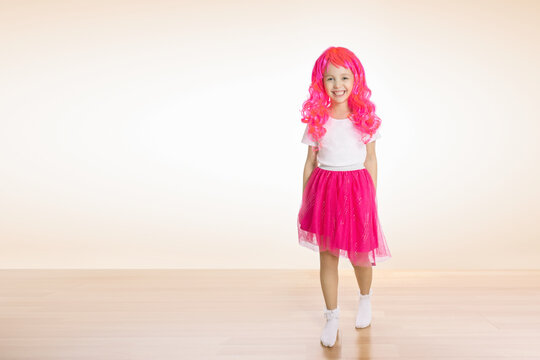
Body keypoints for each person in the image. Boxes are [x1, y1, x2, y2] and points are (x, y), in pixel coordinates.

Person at [297, 46, 392, 348]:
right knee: (328, 257)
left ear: (356, 80)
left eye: (344, 77)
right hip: (324, 189)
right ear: (320, 83)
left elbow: (371, 158)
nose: (338, 85)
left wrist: (371, 195)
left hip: (356, 189)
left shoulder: (364, 117)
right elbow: (310, 163)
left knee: (361, 255)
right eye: (330, 79)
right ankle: (332, 316)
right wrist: (306, 201)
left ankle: (365, 298)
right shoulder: (317, 119)